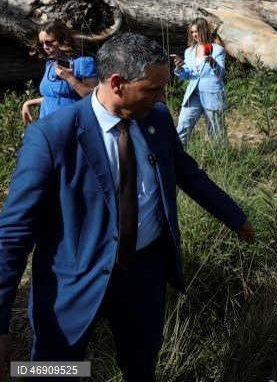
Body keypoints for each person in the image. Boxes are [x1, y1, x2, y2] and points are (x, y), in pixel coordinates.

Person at [0, 33, 255, 381]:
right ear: (118, 83)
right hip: (72, 282)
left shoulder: (157, 119)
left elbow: (186, 171)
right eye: (152, 89)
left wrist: (233, 214)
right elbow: (13, 233)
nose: (163, 97)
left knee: (141, 366)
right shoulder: (50, 136)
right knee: (52, 370)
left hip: (143, 273)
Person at [20, 20, 98, 124]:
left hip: (71, 126)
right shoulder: (50, 64)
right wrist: (28, 103)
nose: (45, 47)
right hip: (47, 127)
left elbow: (93, 97)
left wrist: (70, 78)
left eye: (49, 42)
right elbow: (53, 97)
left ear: (62, 40)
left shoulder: (82, 63)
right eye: (42, 43)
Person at [173, 17, 227, 146]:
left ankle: (221, 160)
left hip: (212, 95)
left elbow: (222, 73)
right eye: (192, 32)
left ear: (204, 30)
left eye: (197, 31)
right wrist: (179, 68)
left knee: (216, 133)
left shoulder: (217, 49)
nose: (195, 35)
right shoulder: (189, 51)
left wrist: (213, 63)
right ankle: (177, 158)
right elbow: (187, 75)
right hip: (193, 96)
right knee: (182, 127)